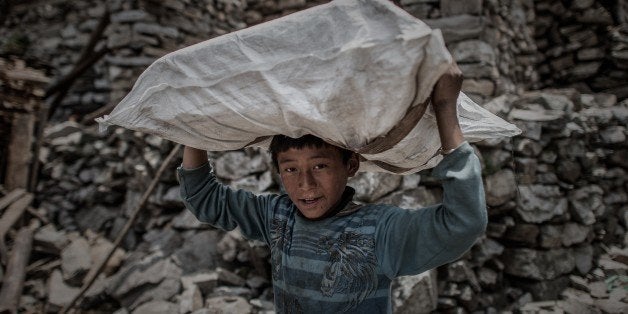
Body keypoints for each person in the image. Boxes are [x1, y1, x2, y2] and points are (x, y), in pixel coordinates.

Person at [178, 61, 487, 313]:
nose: (305, 184)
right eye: (290, 169)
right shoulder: (277, 218)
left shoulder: (379, 231)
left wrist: (445, 107)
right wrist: (193, 124)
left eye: (320, 166)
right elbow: (205, 198)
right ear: (278, 171)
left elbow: (464, 222)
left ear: (350, 165)